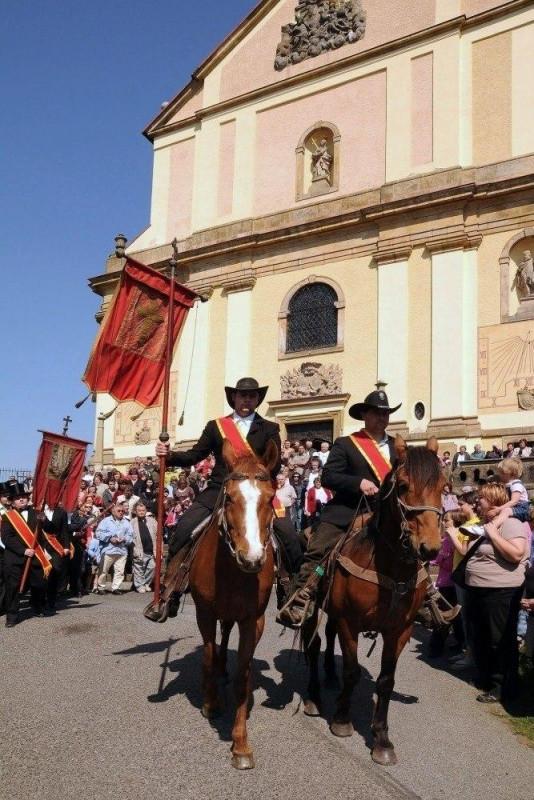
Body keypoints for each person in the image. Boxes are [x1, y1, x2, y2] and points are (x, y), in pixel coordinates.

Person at [149, 377, 303, 621]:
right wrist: (169, 456)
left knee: (289, 537)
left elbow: (273, 465)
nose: (246, 400)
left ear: (257, 400)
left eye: (251, 396)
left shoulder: (269, 428)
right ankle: (171, 590)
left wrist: (256, 479)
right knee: (185, 527)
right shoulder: (216, 426)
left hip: (254, 492)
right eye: (242, 395)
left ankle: (289, 593)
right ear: (234, 398)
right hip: (219, 490)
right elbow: (195, 455)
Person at [277, 386, 402, 628]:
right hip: (347, 509)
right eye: (376, 413)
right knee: (320, 549)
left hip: (384, 512)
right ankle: (303, 595)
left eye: (385, 413)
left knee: (413, 546)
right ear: (364, 415)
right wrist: (358, 482)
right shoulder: (347, 443)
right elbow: (330, 476)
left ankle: (427, 597)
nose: (381, 418)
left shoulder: (398, 447)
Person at [446, 483, 529, 702]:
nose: (476, 502)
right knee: (480, 636)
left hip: (501, 591)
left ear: (493, 500)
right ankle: (487, 677)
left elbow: (517, 554)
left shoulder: (511, 524)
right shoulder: (484, 523)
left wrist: (493, 535)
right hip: (477, 590)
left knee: (499, 639)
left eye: (481, 498)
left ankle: (504, 686)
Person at [1, 482, 50, 626]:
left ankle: (37, 606)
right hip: (15, 557)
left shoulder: (37, 513)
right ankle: (12, 616)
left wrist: (44, 520)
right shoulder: (8, 517)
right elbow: (7, 538)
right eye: (18, 498)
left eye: (24, 497)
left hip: (35, 556)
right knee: (13, 587)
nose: (21, 499)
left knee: (39, 584)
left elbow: (49, 530)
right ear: (13, 502)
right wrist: (23, 550)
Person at [95, 502, 133, 595]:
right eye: (119, 511)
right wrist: (110, 538)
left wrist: (124, 539)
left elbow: (131, 536)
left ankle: (116, 587)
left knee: (120, 571)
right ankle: (101, 587)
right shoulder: (106, 521)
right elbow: (98, 533)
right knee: (103, 570)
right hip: (108, 550)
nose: (121, 512)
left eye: (122, 511)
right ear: (113, 511)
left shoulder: (126, 522)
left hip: (121, 551)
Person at [488, 457, 530, 527]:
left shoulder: (516, 485)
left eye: (502, 473)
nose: (500, 475)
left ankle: (492, 526)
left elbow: (514, 501)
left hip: (522, 509)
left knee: (505, 511)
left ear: (511, 474)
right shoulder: (508, 483)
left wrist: (499, 509)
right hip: (514, 508)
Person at [131, 501, 157, 593]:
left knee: (152, 567)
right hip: (139, 550)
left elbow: (158, 535)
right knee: (139, 569)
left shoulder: (152, 521)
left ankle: (146, 583)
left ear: (146, 511)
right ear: (135, 511)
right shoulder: (132, 522)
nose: (141, 512)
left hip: (151, 550)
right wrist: (134, 550)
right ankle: (139, 585)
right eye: (139, 510)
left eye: (143, 510)